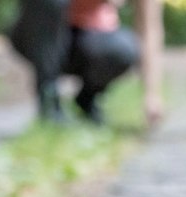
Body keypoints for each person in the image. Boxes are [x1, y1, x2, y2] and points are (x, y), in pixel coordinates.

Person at [9, 0, 164, 126]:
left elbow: (149, 27)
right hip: (41, 36)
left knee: (124, 50)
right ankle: (49, 100)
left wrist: (151, 95)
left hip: (88, 40)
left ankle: (87, 98)